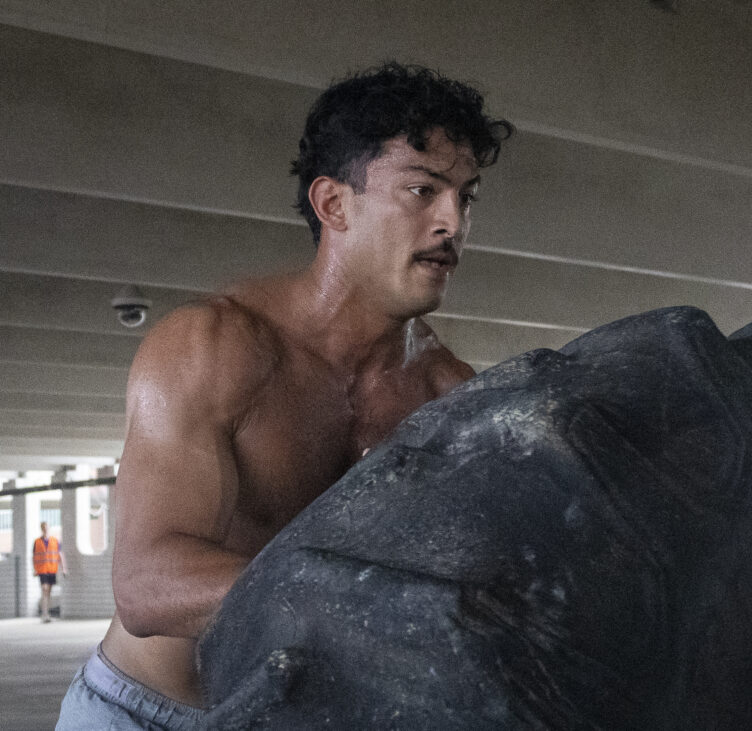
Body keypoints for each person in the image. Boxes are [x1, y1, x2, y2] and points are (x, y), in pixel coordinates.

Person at [56, 62, 513, 729]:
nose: (453, 222)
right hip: (142, 712)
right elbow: (146, 588)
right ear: (333, 204)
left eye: (467, 197)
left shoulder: (450, 397)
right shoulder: (214, 345)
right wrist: (370, 596)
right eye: (423, 190)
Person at [33, 521, 66, 622]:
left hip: (52, 569)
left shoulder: (55, 541)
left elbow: (60, 555)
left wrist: (64, 568)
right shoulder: (37, 542)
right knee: (44, 589)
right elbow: (34, 557)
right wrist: (35, 569)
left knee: (49, 592)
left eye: (46, 527)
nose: (45, 529)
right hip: (42, 570)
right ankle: (45, 614)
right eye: (43, 527)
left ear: (49, 528)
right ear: (41, 528)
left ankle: (47, 613)